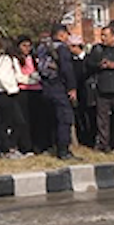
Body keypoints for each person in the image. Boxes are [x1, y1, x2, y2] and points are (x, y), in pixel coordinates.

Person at [35, 25, 78, 160]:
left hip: (45, 87)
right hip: (59, 86)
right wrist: (72, 87)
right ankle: (63, 150)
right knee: (65, 118)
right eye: (66, 35)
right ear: (61, 35)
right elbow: (66, 69)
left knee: (51, 119)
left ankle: (49, 145)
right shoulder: (61, 48)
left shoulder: (41, 48)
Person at [0, 36, 35, 157]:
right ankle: (6, 149)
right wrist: (12, 89)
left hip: (11, 92)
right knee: (7, 122)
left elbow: (19, 76)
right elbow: (4, 77)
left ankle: (12, 146)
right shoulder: (4, 60)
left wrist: (33, 79)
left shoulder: (13, 60)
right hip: (3, 93)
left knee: (18, 121)